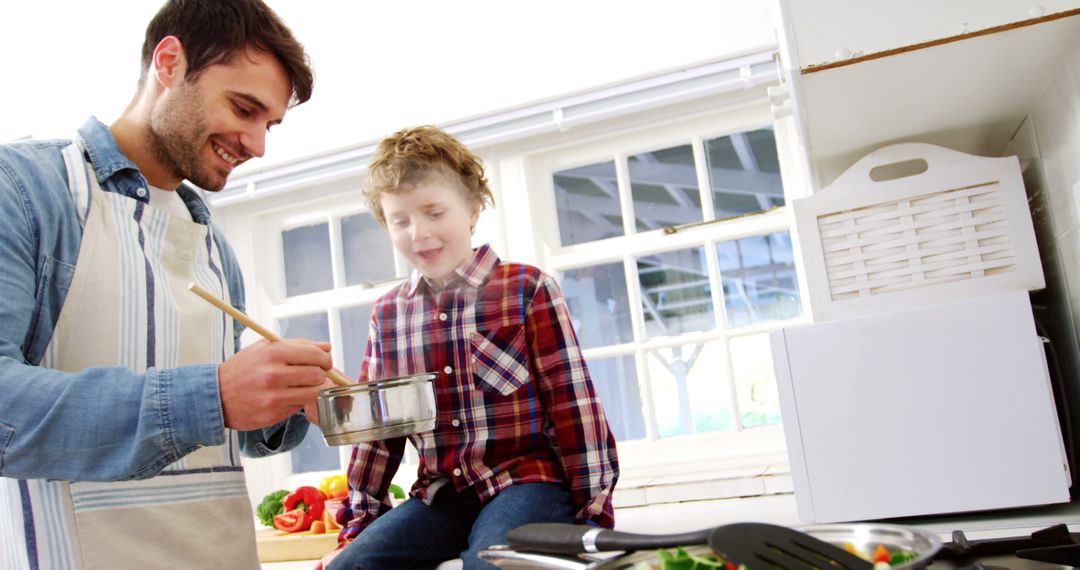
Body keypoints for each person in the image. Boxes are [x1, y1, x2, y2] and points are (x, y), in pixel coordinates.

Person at [0, 1, 328, 568]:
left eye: (267, 124)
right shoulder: (28, 190)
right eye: (244, 108)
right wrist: (213, 395)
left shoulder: (212, 246)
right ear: (170, 62)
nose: (257, 144)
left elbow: (232, 434)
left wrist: (286, 401)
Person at [323, 126, 620, 570]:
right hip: (441, 497)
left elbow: (574, 408)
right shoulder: (389, 314)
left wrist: (592, 515)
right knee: (348, 569)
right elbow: (378, 436)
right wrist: (361, 524)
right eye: (400, 220)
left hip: (524, 484)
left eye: (434, 211)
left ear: (473, 208)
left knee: (490, 566)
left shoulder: (527, 289)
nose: (419, 233)